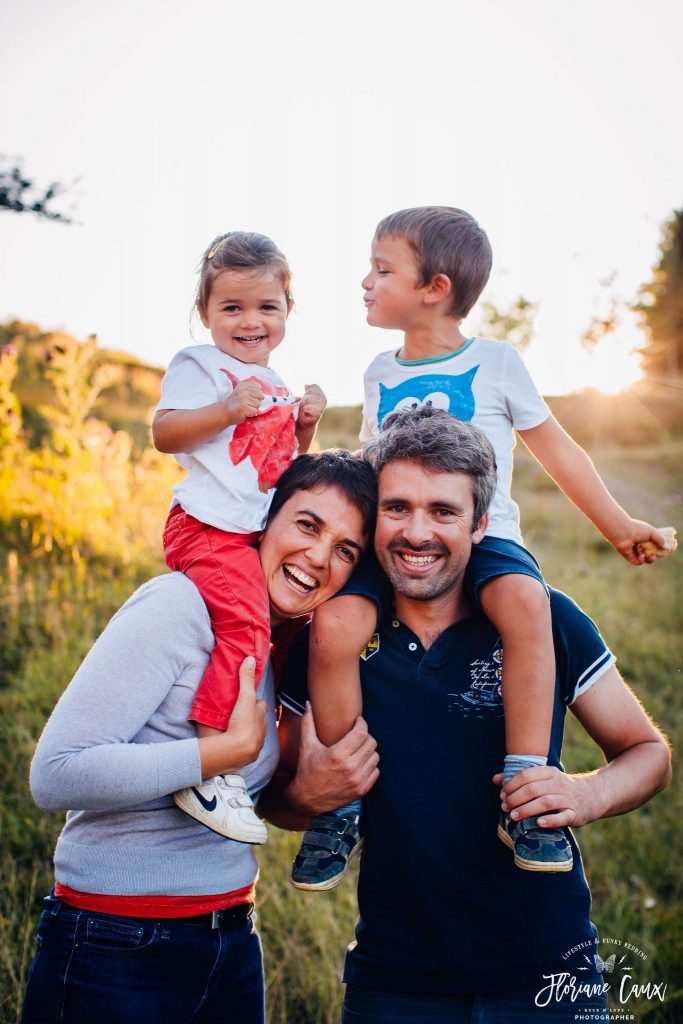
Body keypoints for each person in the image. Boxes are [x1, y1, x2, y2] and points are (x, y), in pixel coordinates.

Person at [292, 205, 674, 888]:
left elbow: (558, 452)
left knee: (527, 602)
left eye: (382, 270)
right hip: (397, 543)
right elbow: (366, 469)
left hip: (483, 535)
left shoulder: (495, 364)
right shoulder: (379, 370)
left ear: (434, 287)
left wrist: (620, 527)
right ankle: (342, 795)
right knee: (333, 622)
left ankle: (526, 783)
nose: (366, 282)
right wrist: (305, 444)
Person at [267, 408, 672, 1022]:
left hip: (549, 970)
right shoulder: (334, 635)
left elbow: (648, 753)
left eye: (444, 512)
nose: (416, 533)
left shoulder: (546, 618)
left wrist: (586, 795)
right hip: (393, 977)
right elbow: (276, 799)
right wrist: (310, 792)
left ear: (481, 523)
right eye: (398, 508)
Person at [21, 451, 380, 1024]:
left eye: (345, 550)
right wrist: (219, 753)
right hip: (116, 944)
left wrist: (307, 797)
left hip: (232, 941)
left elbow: (240, 798)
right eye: (308, 525)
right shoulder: (180, 605)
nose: (318, 557)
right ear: (264, 519)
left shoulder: (277, 649)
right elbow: (56, 773)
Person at [153, 231, 327, 844]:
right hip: (206, 529)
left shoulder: (277, 381)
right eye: (232, 307)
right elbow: (166, 433)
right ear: (206, 314)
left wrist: (305, 426)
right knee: (246, 628)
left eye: (266, 307)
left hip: (249, 534)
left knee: (289, 630)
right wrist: (227, 409)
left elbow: (275, 473)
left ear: (286, 310)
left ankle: (284, 755)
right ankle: (211, 765)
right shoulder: (198, 365)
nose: (250, 321)